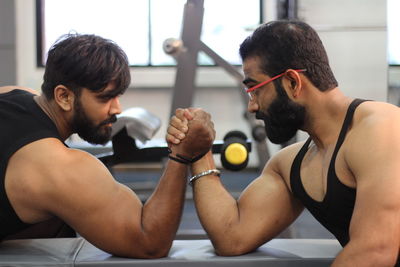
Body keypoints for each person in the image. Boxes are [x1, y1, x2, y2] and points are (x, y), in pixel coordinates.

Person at [167, 20, 400, 266]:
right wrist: (200, 151)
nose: (252, 105)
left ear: (292, 82)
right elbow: (232, 236)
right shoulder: (291, 165)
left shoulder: (383, 128)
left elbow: (375, 251)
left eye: (255, 89)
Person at [0, 33, 215, 258]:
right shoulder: (58, 168)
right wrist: (180, 157)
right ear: (63, 96)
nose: (117, 109)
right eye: (105, 98)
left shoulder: (13, 93)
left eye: (118, 96)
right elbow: (149, 242)